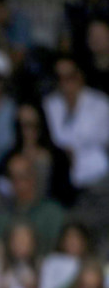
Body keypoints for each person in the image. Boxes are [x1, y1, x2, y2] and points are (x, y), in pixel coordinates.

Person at [43, 56, 109, 191]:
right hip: (62, 175)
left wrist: (72, 148)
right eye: (59, 77)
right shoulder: (49, 104)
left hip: (97, 171)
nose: (65, 82)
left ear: (80, 75)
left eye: (69, 76)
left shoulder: (100, 102)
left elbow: (103, 138)